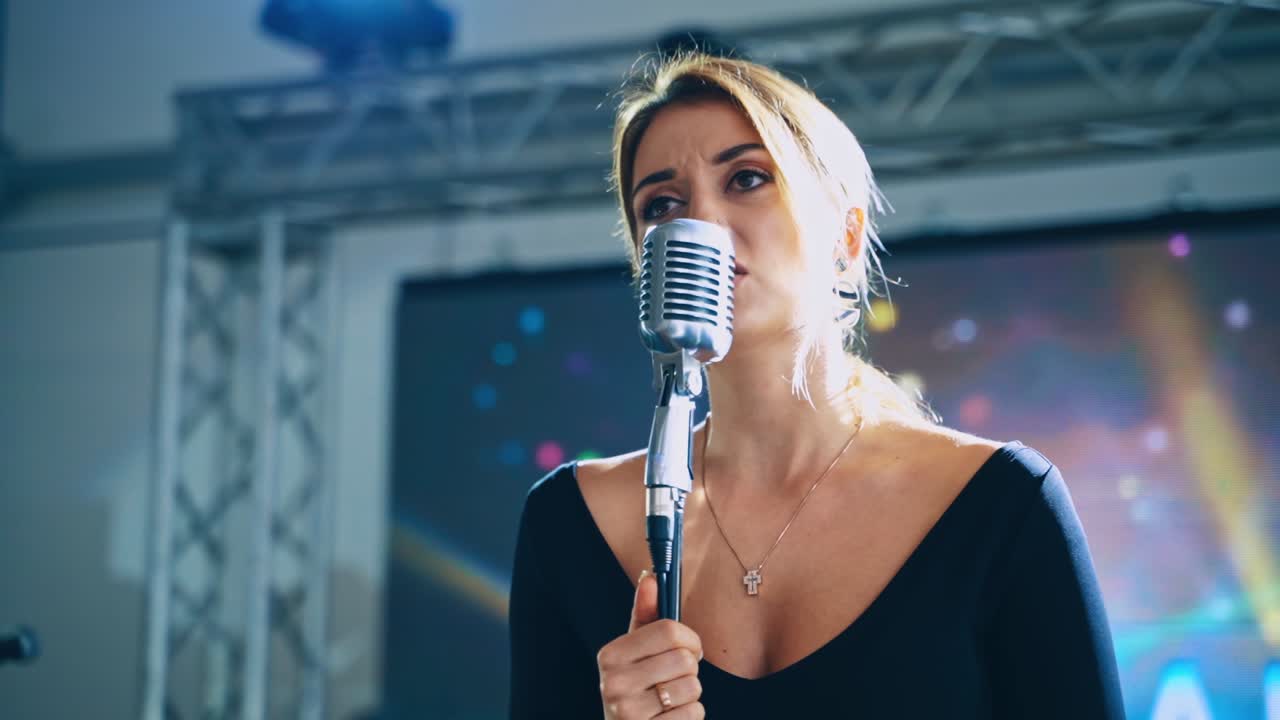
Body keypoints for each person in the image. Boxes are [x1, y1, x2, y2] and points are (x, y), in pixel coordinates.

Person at [508, 52, 1125, 719]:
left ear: (847, 237)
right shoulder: (568, 524)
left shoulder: (999, 505)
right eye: (662, 204)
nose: (701, 225)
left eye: (746, 178)